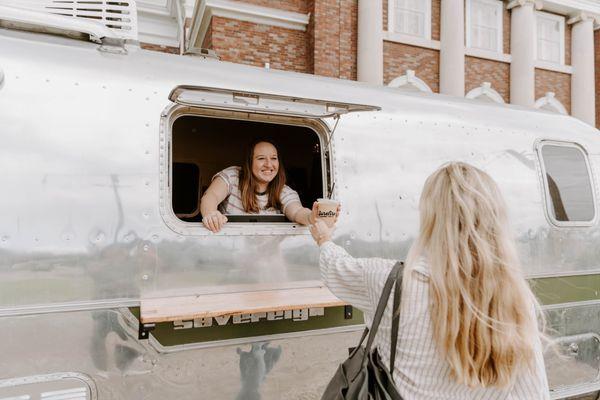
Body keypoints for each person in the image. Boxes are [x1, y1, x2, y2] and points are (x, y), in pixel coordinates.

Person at [309, 162, 550, 399]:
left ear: (430, 216)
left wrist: (324, 238)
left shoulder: (388, 281)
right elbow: (532, 392)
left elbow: (336, 268)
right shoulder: (516, 299)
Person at [200, 139, 315, 233]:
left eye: (274, 158)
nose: (269, 164)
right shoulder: (232, 176)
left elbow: (297, 212)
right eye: (261, 158)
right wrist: (211, 213)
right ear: (249, 163)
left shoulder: (284, 191)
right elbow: (211, 196)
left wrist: (312, 216)